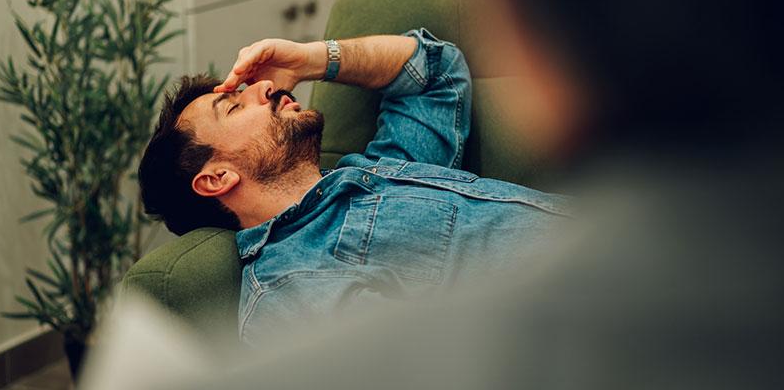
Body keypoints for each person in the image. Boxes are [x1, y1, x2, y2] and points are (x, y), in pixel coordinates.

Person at [138, 28, 570, 345]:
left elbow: (433, 69)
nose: (265, 87)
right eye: (233, 107)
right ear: (217, 178)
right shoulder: (291, 294)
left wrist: (309, 60)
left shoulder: (382, 168)